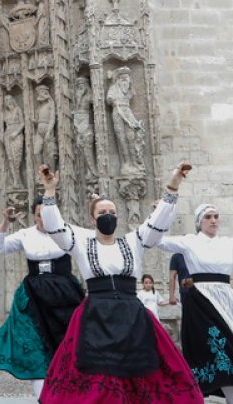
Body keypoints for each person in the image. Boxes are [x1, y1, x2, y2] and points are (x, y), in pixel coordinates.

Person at [37, 163, 202, 404]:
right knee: (100, 375)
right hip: (96, 316)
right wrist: (49, 190)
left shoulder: (134, 240)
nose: (108, 216)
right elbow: (54, 226)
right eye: (102, 213)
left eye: (112, 212)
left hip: (131, 315)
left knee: (141, 372)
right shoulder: (80, 241)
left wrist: (174, 183)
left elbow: (158, 223)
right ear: (92, 217)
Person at [158, 205, 233, 404]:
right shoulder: (189, 242)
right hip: (201, 303)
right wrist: (162, 216)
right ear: (199, 221)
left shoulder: (228, 244)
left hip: (228, 302)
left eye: (216, 216)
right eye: (208, 217)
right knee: (220, 354)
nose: (214, 220)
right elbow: (158, 241)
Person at [0, 196, 84, 399]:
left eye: (47, 214)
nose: (43, 219)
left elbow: (93, 244)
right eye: (39, 215)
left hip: (65, 295)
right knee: (38, 350)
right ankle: (42, 399)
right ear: (34, 216)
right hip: (34, 295)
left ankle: (70, 396)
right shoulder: (25, 234)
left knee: (69, 346)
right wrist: (6, 222)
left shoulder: (69, 231)